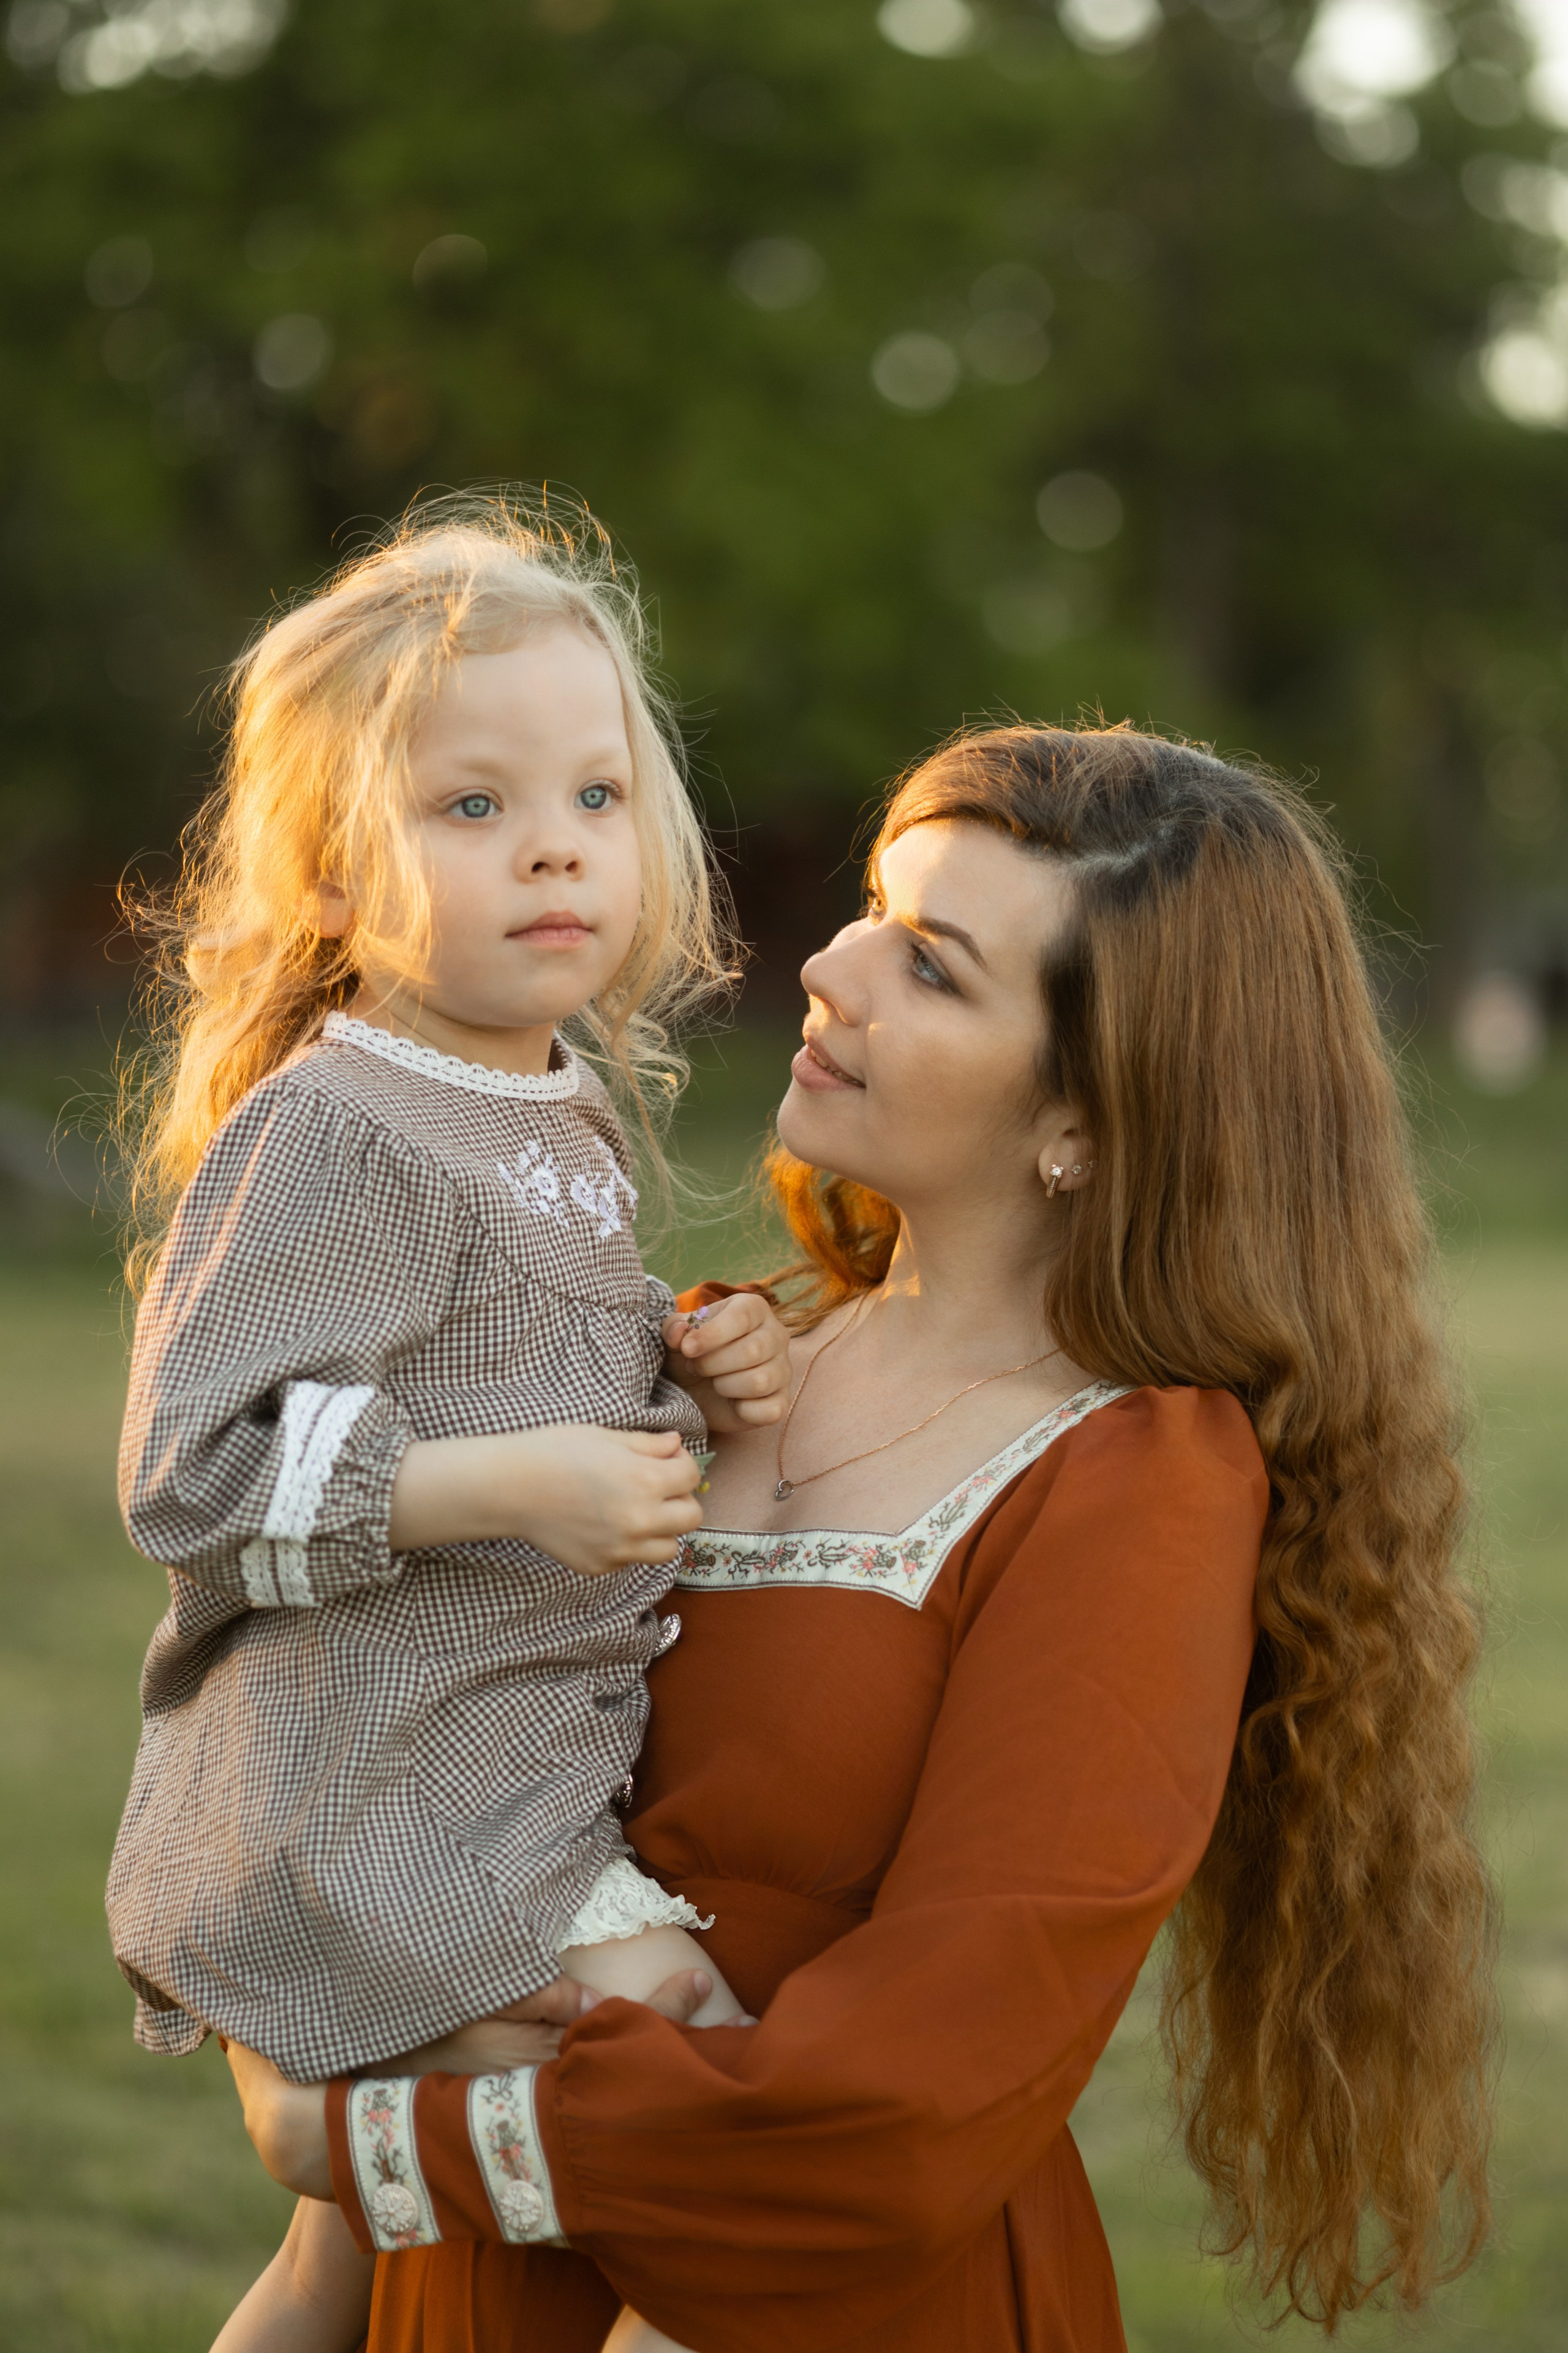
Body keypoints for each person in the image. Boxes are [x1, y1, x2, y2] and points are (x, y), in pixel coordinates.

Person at [225, 724, 1497, 2353]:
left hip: (828, 2300)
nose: (830, 967)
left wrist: (376, 2138)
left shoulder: (1136, 1481)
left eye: (932, 966)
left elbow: (917, 2088)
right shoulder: (684, 1361)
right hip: (461, 2273)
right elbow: (369, 1749)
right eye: (874, 909)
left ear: (1090, 1118)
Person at [105, 497, 794, 2353]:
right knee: (727, 2107)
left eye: (593, 796)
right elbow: (191, 1473)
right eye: (472, 805)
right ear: (333, 880)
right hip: (380, 1788)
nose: (553, 846)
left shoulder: (546, 1104)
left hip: (502, 1767)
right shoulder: (339, 1124)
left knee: (339, 2259)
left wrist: (678, 1363)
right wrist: (507, 1483)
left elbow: (497, 1352)